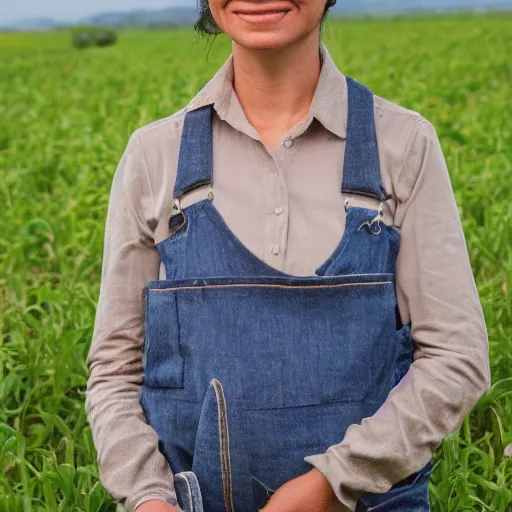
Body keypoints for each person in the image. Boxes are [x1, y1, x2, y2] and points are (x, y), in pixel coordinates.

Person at [85, 0, 492, 510]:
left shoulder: (402, 145)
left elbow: (457, 358)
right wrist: (147, 497)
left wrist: (332, 481)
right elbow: (114, 371)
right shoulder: (154, 157)